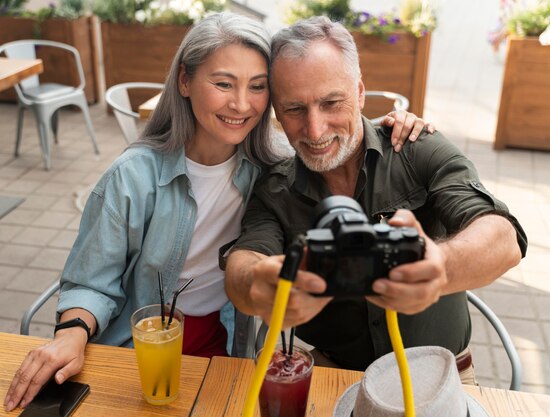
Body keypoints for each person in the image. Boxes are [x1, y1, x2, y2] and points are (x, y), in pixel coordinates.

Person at [3, 13, 429, 412]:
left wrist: (394, 122)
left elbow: (333, 132)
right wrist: (70, 336)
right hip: (144, 351)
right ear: (185, 81)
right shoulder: (133, 176)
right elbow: (90, 281)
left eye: (258, 86)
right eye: (224, 84)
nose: (242, 105)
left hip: (235, 349)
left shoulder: (274, 167)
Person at [224, 16, 528, 384]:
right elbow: (245, 261)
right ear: (276, 111)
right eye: (294, 109)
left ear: (361, 92)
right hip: (331, 377)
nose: (315, 129)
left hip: (440, 379)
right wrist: (257, 284)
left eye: (332, 102)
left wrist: (440, 266)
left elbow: (503, 238)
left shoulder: (416, 148)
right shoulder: (274, 188)